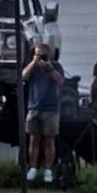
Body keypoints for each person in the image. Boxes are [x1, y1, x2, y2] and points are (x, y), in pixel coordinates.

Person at [22, 42, 65, 184]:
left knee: (49, 141)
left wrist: (51, 69)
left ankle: (48, 169)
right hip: (34, 107)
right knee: (34, 140)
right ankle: (33, 167)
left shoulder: (56, 66)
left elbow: (61, 81)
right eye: (38, 54)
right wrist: (34, 62)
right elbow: (23, 76)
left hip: (51, 109)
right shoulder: (33, 67)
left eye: (43, 55)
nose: (41, 57)